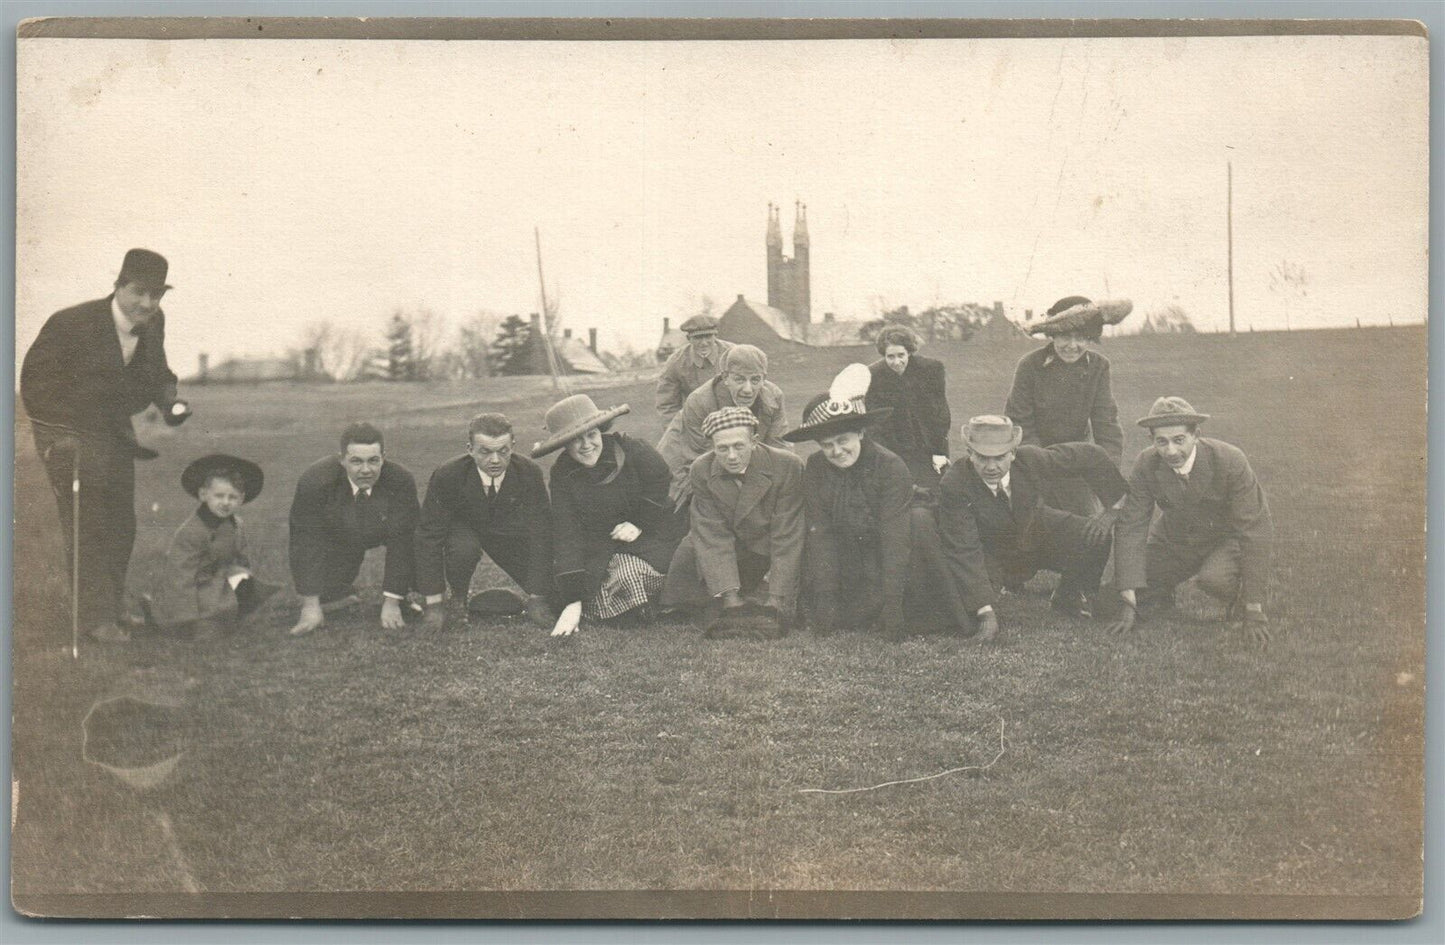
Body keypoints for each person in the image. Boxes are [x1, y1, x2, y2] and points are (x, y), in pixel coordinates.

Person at [20, 248, 192, 643]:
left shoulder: (154, 322)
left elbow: (158, 372)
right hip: (67, 435)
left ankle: (113, 606)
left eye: (156, 294)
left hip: (112, 434)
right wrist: (59, 437)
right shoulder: (71, 323)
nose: (147, 303)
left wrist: (170, 403)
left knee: (120, 525)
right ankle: (95, 619)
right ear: (118, 286)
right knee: (88, 524)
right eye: (138, 292)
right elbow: (35, 383)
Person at [785, 365, 977, 640]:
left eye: (843, 440)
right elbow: (821, 536)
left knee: (918, 524)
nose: (837, 451)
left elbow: (895, 540)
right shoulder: (815, 468)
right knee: (835, 614)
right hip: (848, 556)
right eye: (827, 445)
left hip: (893, 557)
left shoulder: (890, 466)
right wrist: (825, 603)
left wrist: (893, 609)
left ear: (861, 433)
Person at [937, 416, 1128, 640]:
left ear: (1013, 453)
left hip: (1034, 531)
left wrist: (1112, 509)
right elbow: (964, 549)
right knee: (964, 609)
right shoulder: (954, 483)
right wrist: (985, 611)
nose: (991, 467)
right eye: (982, 457)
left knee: (1095, 534)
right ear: (969, 453)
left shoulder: (1030, 459)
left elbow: (1091, 455)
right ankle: (998, 591)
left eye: (999, 457)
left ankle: (1071, 594)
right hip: (992, 553)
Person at [1105, 397, 1274, 645]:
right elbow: (1132, 526)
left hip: (1225, 540)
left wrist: (1254, 609)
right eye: (1161, 442)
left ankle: (1239, 595)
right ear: (1152, 440)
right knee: (1109, 601)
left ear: (1196, 435)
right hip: (1176, 540)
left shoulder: (1230, 459)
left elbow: (1254, 531)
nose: (1171, 451)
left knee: (1214, 580)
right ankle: (1161, 596)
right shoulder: (1146, 463)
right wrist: (1128, 600)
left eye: (1179, 440)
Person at [534, 395, 684, 637]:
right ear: (564, 444)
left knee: (629, 574)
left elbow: (660, 481)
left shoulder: (633, 450)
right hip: (601, 548)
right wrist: (572, 600)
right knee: (576, 591)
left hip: (651, 539)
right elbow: (567, 532)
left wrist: (639, 523)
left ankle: (654, 602)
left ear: (601, 430)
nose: (586, 445)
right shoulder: (562, 473)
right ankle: (634, 605)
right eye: (576, 440)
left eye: (591, 435)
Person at [661, 407, 805, 638]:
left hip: (767, 542)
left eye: (739, 446)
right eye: (722, 448)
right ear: (712, 447)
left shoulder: (788, 465)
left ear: (754, 441)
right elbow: (711, 533)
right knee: (689, 599)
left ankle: (764, 590)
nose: (731, 456)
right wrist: (731, 600)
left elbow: (787, 534)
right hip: (731, 542)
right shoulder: (701, 469)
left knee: (777, 606)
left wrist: (775, 601)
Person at [414, 413, 555, 631]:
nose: (495, 460)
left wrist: (538, 596)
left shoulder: (529, 472)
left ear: (513, 446)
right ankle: (458, 599)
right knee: (463, 548)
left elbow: (542, 532)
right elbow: (429, 535)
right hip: (464, 532)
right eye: (485, 452)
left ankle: (530, 597)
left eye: (503, 451)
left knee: (557, 597)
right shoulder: (447, 475)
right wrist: (434, 603)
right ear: (470, 449)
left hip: (509, 534)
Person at [287, 422, 420, 636]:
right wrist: (310, 605)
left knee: (420, 544)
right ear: (342, 459)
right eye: (356, 461)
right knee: (330, 593)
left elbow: (403, 541)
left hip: (383, 529)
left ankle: (403, 596)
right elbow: (305, 541)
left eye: (373, 461)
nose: (366, 470)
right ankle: (336, 591)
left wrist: (393, 602)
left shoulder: (401, 480)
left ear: (383, 458)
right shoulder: (315, 481)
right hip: (339, 537)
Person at [1004, 296, 1131, 515]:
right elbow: (1019, 422)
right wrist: (1041, 467)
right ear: (1052, 335)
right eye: (1064, 337)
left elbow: (1106, 423)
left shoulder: (1098, 366)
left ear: (1091, 337)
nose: (1072, 346)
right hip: (1034, 461)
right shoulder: (1030, 365)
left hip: (1078, 460)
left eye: (1080, 337)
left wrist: (1106, 470)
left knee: (1086, 524)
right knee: (1035, 523)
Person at [148, 454, 280, 635]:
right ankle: (186, 618)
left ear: (241, 499)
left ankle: (231, 612)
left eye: (232, 497)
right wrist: (185, 619)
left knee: (242, 578)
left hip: (220, 581)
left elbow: (242, 558)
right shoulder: (192, 531)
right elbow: (181, 576)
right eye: (219, 496)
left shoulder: (236, 524)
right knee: (206, 630)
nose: (225, 503)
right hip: (197, 587)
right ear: (204, 495)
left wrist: (247, 584)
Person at [657, 343, 791, 508]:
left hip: (732, 452)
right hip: (682, 459)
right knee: (688, 505)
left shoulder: (774, 396)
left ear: (764, 378)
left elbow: (779, 447)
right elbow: (702, 461)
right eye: (739, 379)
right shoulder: (699, 401)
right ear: (725, 377)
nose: (748, 389)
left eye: (755, 379)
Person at [865, 324, 952, 488]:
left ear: (909, 352)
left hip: (928, 446)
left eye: (901, 355)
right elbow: (875, 424)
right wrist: (884, 459)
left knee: (933, 492)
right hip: (893, 448)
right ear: (884, 355)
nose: (896, 362)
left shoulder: (931, 370)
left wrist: (939, 452)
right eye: (890, 357)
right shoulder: (872, 376)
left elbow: (940, 414)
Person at [654, 314, 736, 420]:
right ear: (689, 339)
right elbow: (667, 405)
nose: (704, 343)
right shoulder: (675, 362)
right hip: (697, 422)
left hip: (734, 418)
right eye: (698, 338)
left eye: (708, 336)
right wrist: (679, 428)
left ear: (715, 335)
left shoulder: (734, 353)